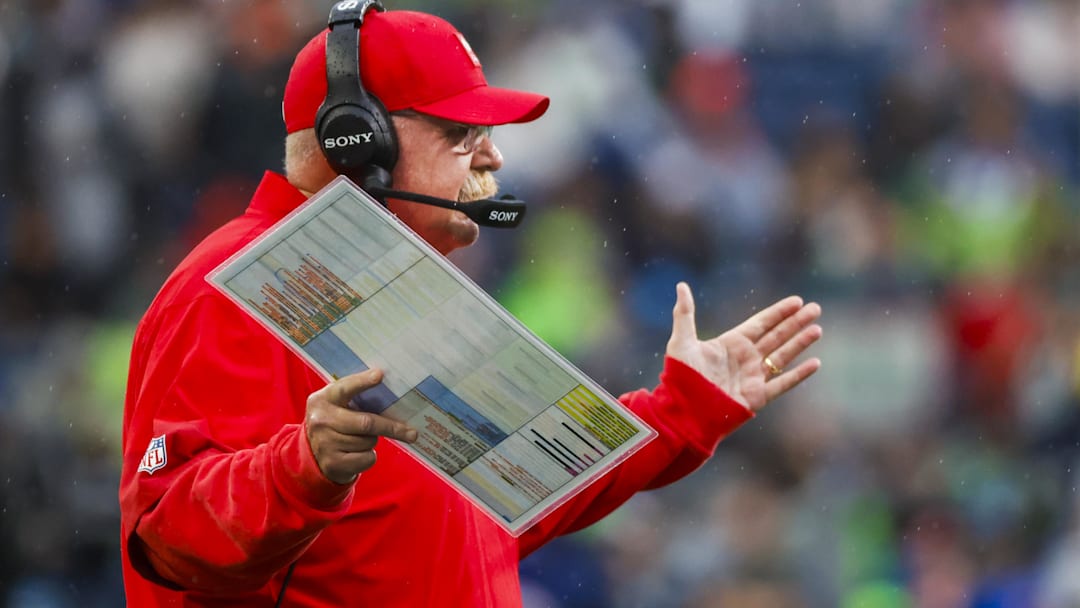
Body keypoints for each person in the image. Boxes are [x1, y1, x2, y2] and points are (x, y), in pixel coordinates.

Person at [119, 5, 823, 607]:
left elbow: (521, 490)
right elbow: (162, 526)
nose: (493, 160)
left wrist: (683, 409)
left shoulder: (400, 284)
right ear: (358, 141)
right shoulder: (234, 280)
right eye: (461, 136)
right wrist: (300, 466)